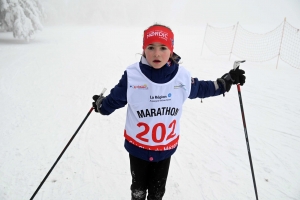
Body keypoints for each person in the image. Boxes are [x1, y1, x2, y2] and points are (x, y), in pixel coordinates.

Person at [92, 24, 245, 200]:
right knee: (138, 190)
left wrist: (226, 82)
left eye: (163, 48)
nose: (157, 54)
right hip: (138, 148)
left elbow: (202, 88)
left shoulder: (182, 77)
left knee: (157, 193)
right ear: (143, 50)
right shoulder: (132, 76)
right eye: (151, 47)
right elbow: (114, 100)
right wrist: (101, 105)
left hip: (164, 149)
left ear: (171, 50)